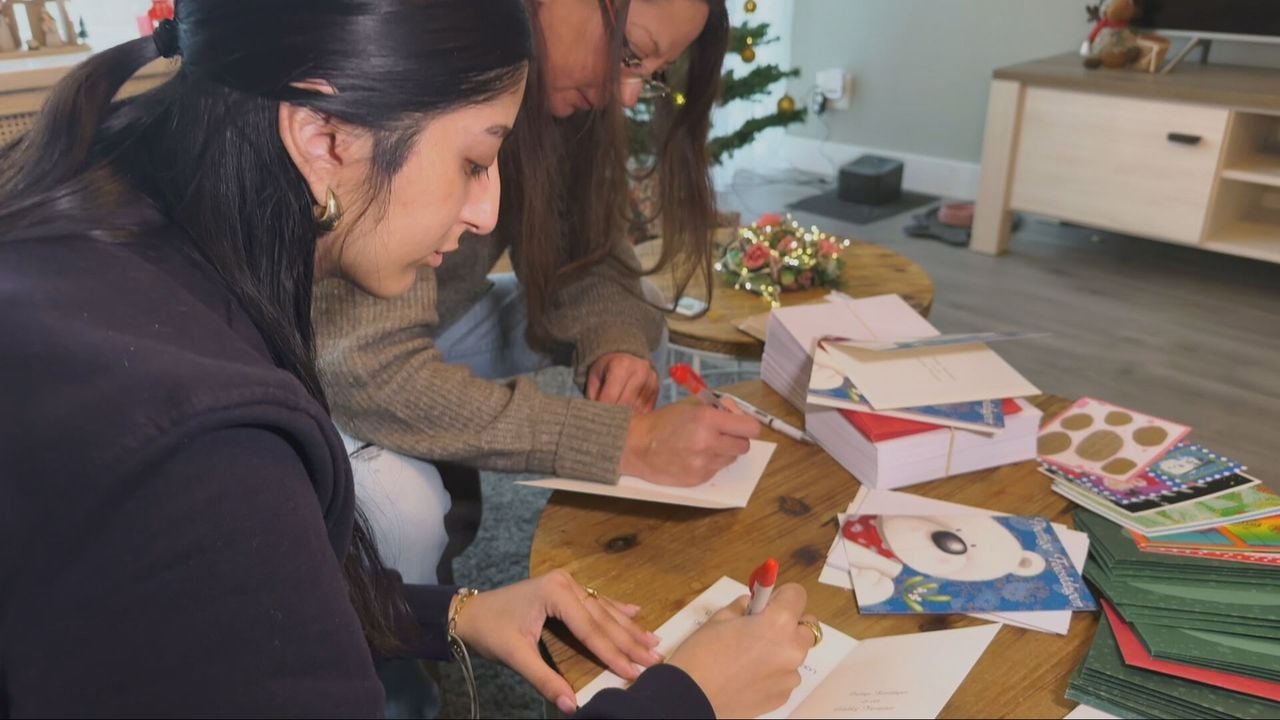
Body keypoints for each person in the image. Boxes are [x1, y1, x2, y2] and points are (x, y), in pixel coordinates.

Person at [0, 0, 817, 717]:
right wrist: (691, 700)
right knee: (405, 503)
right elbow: (349, 396)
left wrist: (444, 614)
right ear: (322, 138)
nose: (490, 210)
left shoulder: (124, 252)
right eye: (472, 161)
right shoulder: (213, 455)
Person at [314, 0, 751, 585]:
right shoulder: (413, 55)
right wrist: (618, 442)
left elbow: (587, 260)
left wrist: (615, 346)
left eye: (652, 76)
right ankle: (400, 656)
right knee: (406, 510)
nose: (626, 97)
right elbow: (364, 367)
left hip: (427, 319)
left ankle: (622, 540)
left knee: (637, 330)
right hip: (318, 355)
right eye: (628, 53)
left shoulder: (560, 107)